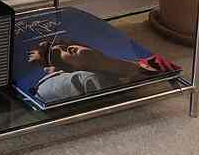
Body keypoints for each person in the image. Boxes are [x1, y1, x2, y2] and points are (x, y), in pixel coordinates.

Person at [27, 36, 179, 105]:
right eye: (57, 54)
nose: (68, 48)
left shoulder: (154, 61)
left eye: (65, 44)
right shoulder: (97, 84)